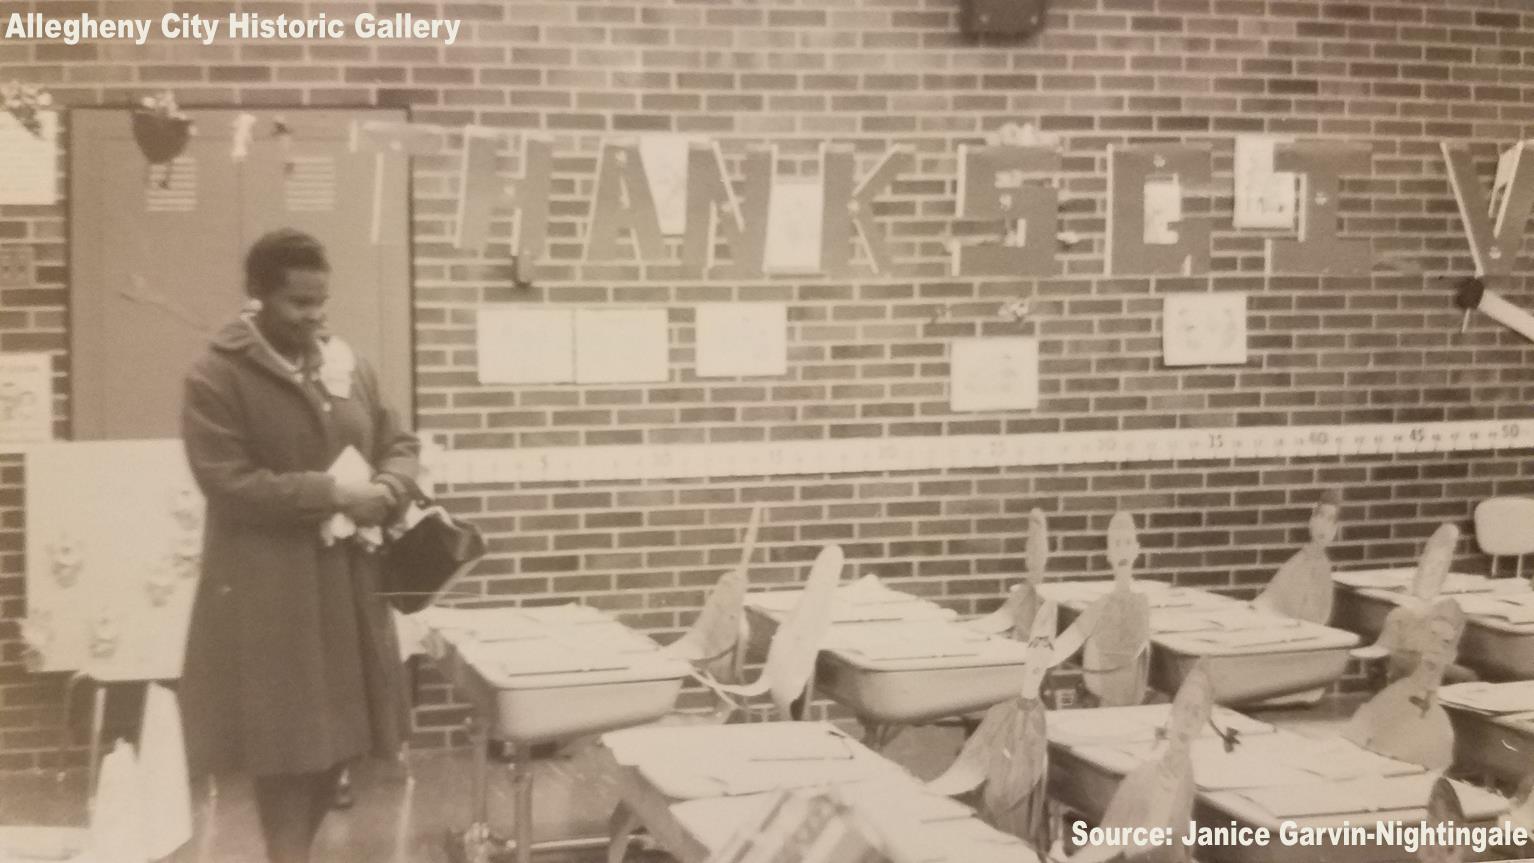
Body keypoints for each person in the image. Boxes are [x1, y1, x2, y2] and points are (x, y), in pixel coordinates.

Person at [179, 229, 419, 863]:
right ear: (257, 298)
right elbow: (227, 483)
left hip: (347, 584)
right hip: (272, 591)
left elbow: (399, 442)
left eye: (322, 302)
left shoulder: (347, 366)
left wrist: (390, 487)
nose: (315, 317)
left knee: (339, 739)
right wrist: (334, 494)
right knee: (287, 747)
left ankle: (295, 854)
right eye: (299, 304)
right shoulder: (216, 376)